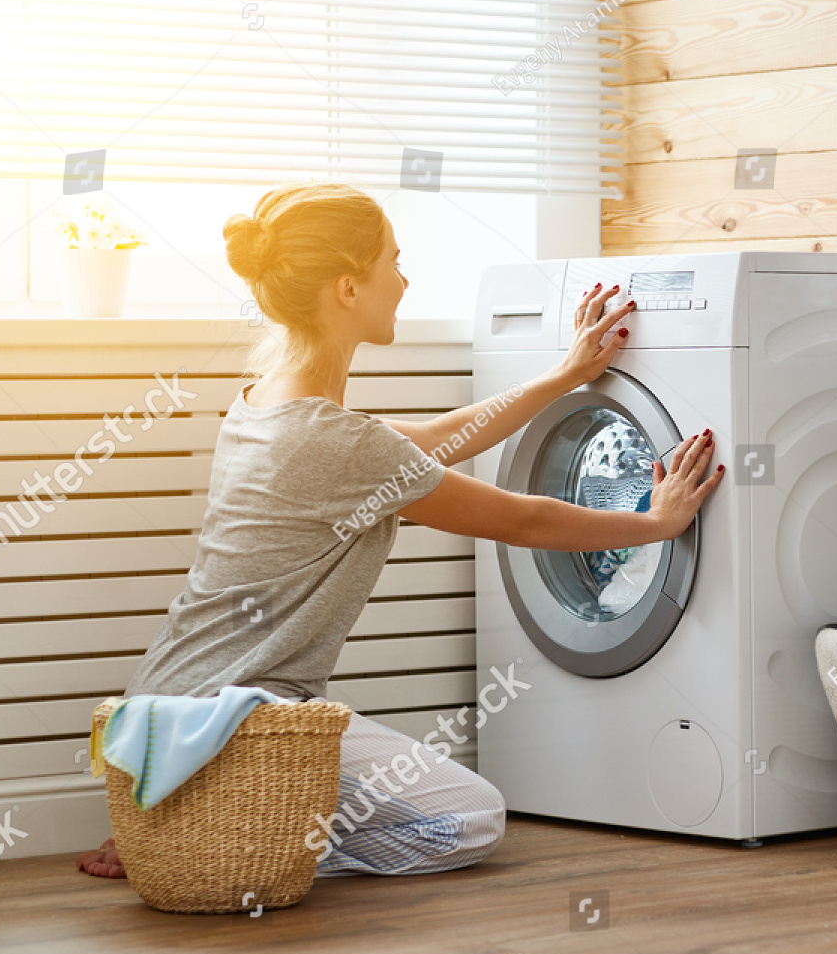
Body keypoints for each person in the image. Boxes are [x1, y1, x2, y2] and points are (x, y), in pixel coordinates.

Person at [78, 183, 723, 880]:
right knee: (473, 821)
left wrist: (564, 375)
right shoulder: (338, 441)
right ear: (349, 288)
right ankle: (229, 837)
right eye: (394, 261)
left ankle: (189, 825)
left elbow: (437, 440)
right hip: (244, 721)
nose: (405, 279)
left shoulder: (263, 406)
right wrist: (655, 521)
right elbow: (520, 516)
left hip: (163, 702)